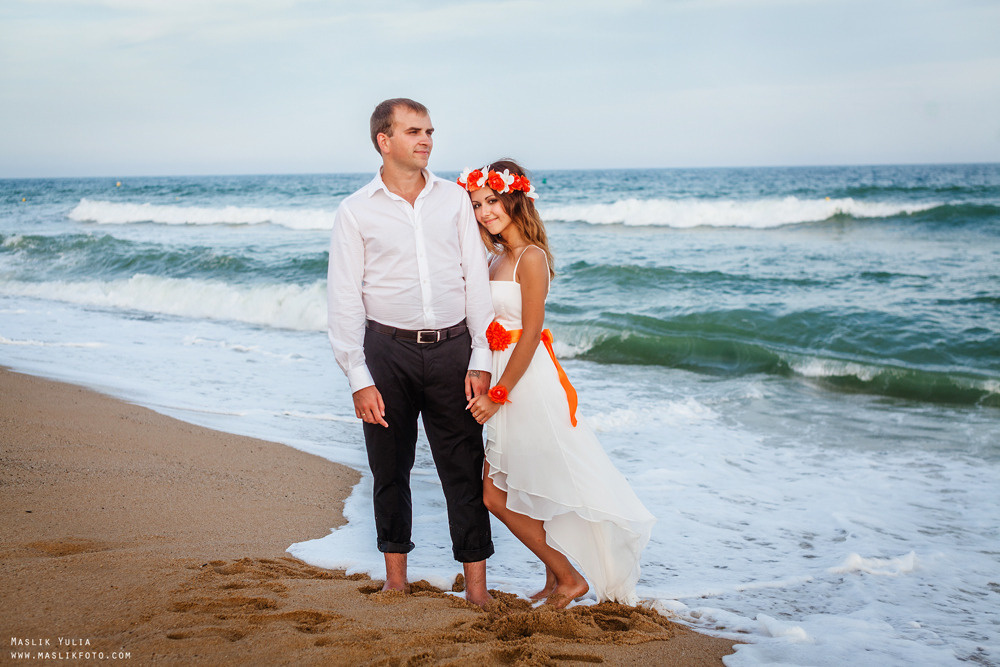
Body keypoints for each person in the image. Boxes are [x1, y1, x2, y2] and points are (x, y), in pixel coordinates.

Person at [462, 159, 655, 608]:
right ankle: (553, 580)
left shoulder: (531, 257)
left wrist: (498, 393)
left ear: (513, 199)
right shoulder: (494, 258)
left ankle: (570, 579)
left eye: (491, 200)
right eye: (476, 204)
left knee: (495, 494)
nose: (485, 211)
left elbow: (530, 333)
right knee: (529, 484)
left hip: (525, 382)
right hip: (504, 372)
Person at [326, 99, 495, 606]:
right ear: (385, 139)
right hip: (386, 352)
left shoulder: (454, 200)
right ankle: (395, 580)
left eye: (429, 132)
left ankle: (478, 590)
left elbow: (476, 281)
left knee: (463, 467)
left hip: (453, 350)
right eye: (414, 131)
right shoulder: (355, 210)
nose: (426, 140)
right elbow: (343, 297)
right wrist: (358, 376)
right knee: (389, 468)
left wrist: (482, 357)